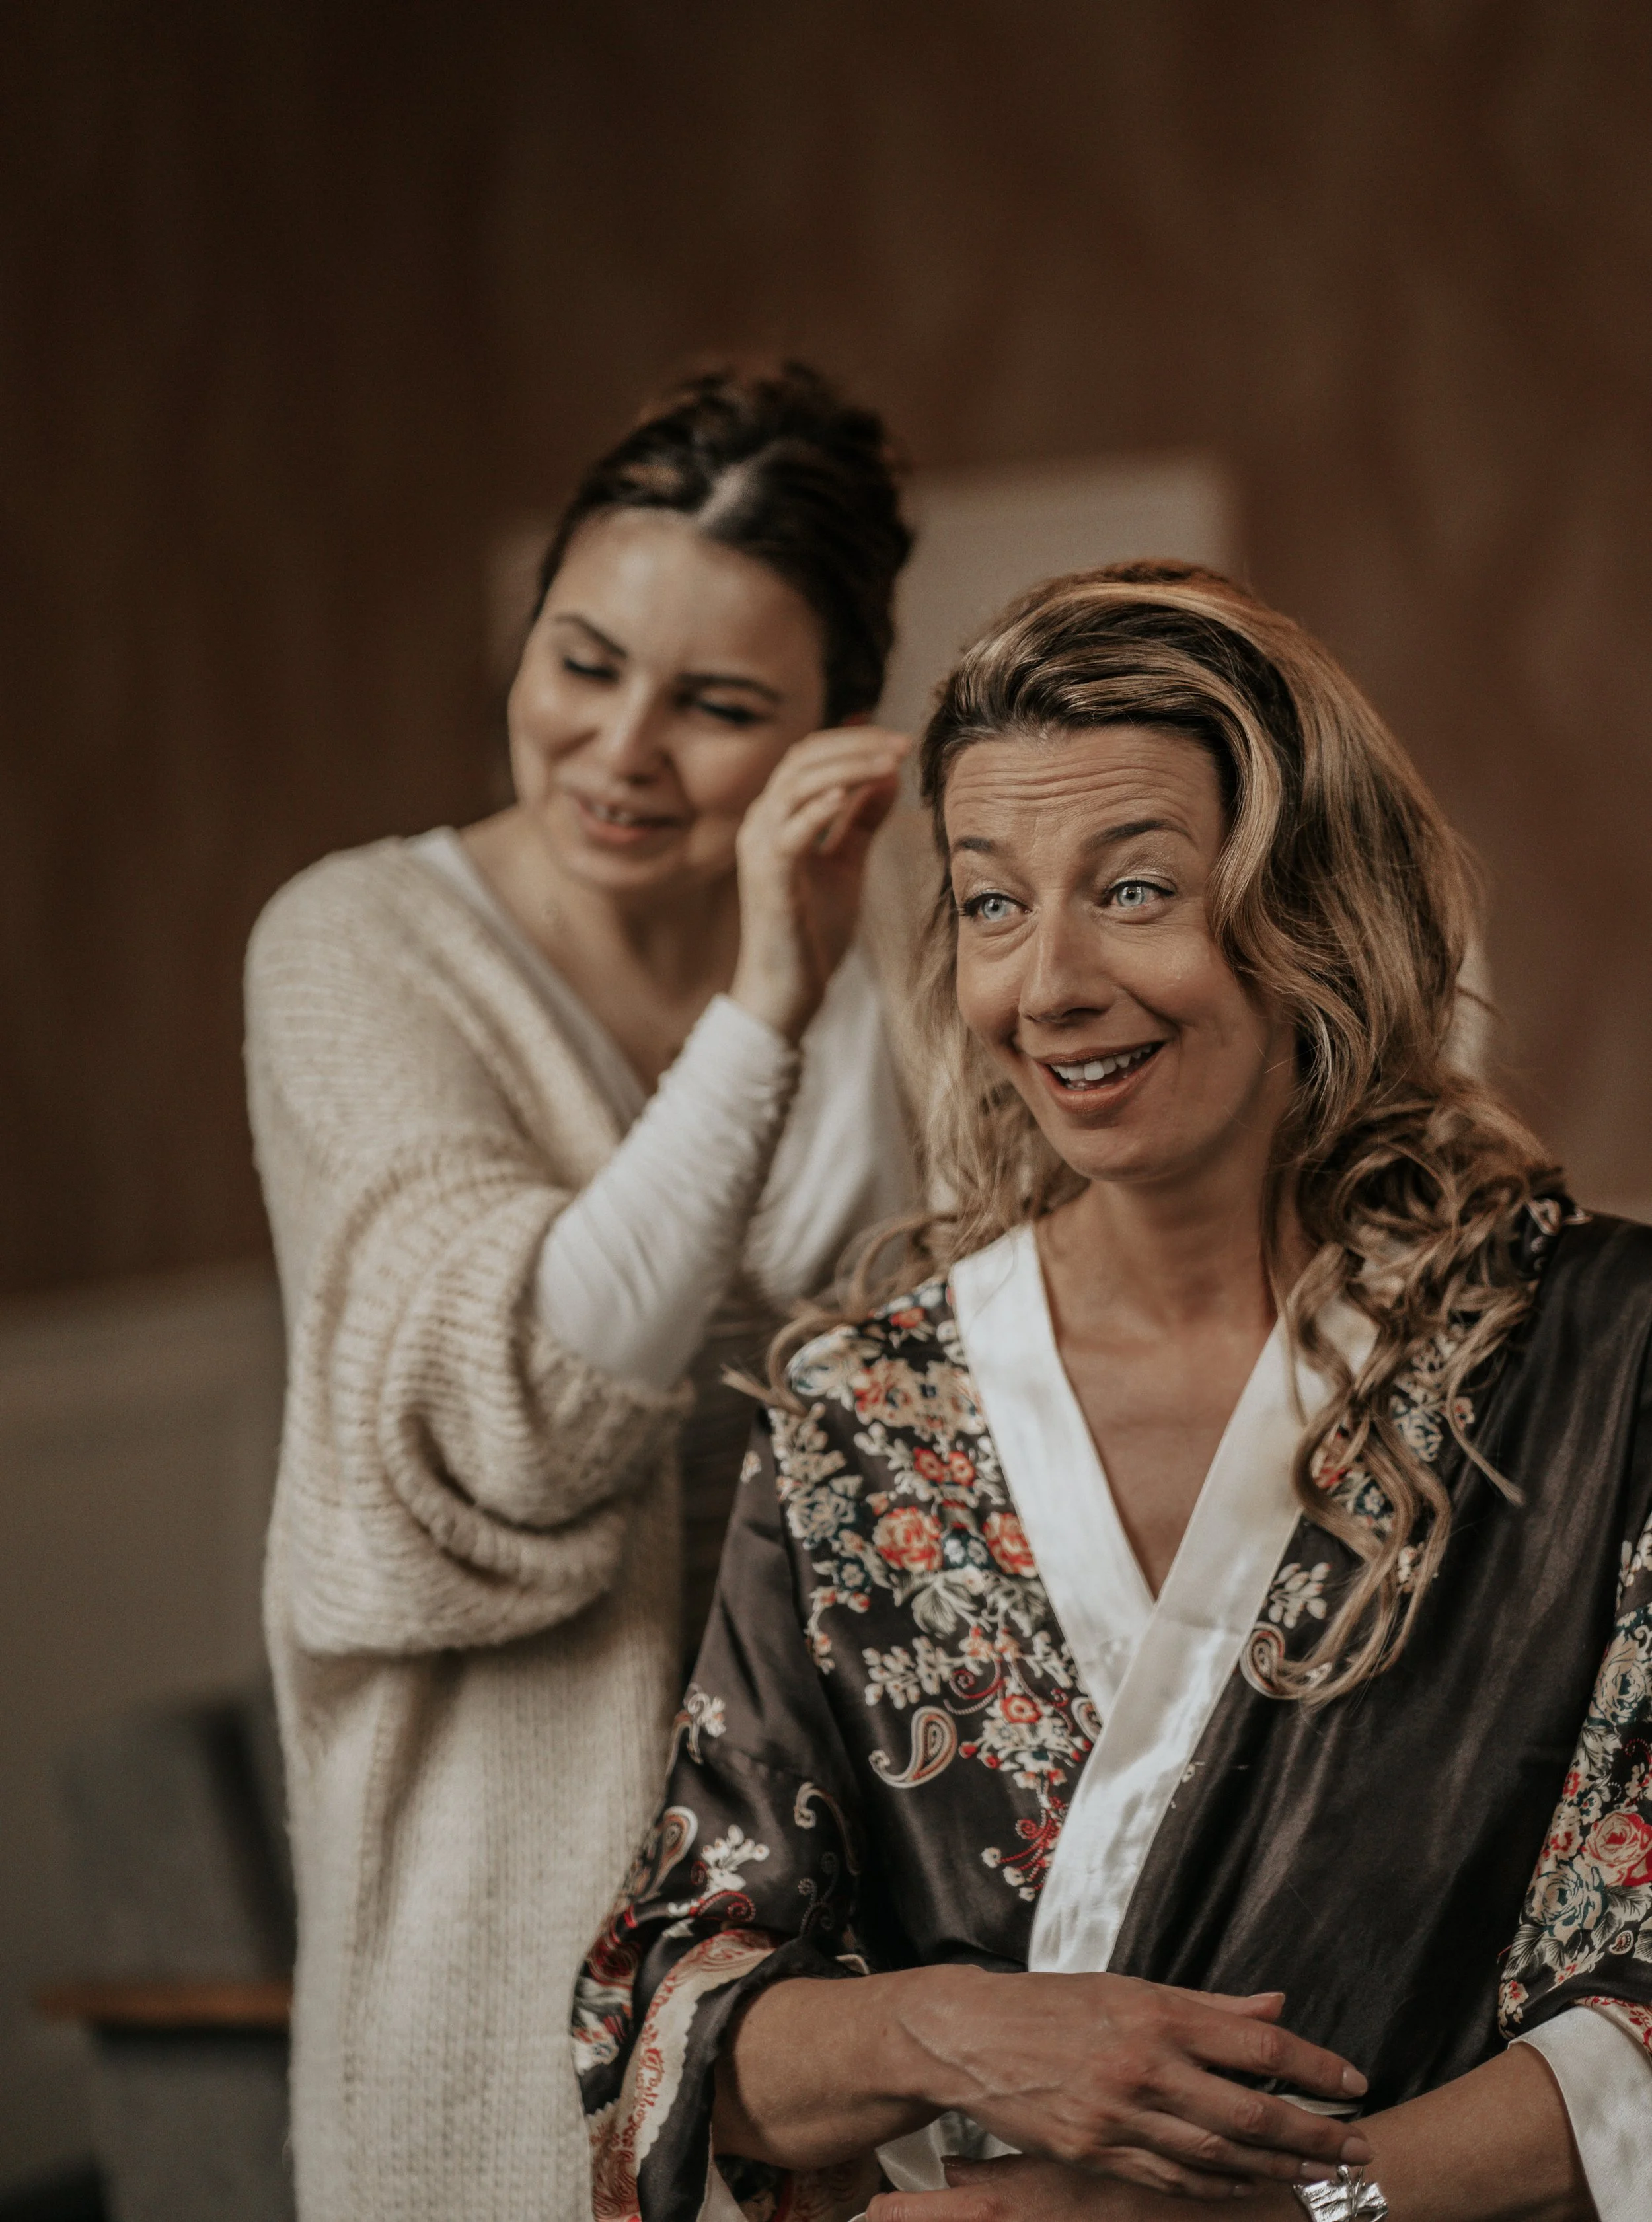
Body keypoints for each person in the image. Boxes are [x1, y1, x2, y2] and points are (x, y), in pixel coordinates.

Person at [574, 564, 1652, 2222]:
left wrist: (1264, 2213)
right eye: (991, 905)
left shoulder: (1593, 1358)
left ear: (1313, 904)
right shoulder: (864, 1421)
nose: (1047, 985)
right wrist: (950, 2030)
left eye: (1133, 890)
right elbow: (674, 2006)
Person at [244, 364, 924, 2222]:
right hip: (499, 1951)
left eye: (716, 705)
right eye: (582, 660)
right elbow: (524, 1415)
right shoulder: (355, 946)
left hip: (854, 1941)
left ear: (828, 734)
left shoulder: (894, 963)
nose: (620, 747)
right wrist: (764, 1004)